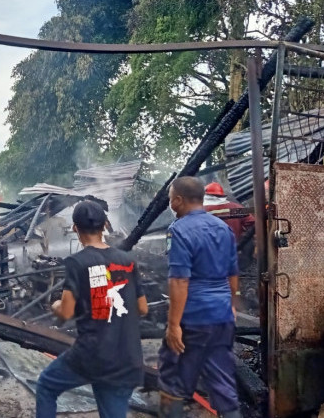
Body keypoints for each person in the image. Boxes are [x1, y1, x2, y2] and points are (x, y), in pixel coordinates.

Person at [36, 201, 148, 418]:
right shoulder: (127, 261)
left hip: (92, 355)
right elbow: (142, 308)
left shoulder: (77, 263)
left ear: (75, 228)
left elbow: (66, 312)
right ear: (105, 225)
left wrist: (56, 304)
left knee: (47, 386)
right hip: (127, 357)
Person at [159, 177, 241, 418]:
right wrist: (231, 305)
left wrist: (174, 325)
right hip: (222, 316)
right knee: (222, 380)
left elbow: (179, 280)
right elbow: (232, 273)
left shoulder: (179, 230)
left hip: (194, 317)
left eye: (170, 197)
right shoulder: (222, 227)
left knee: (172, 375)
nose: (169, 202)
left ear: (178, 200)